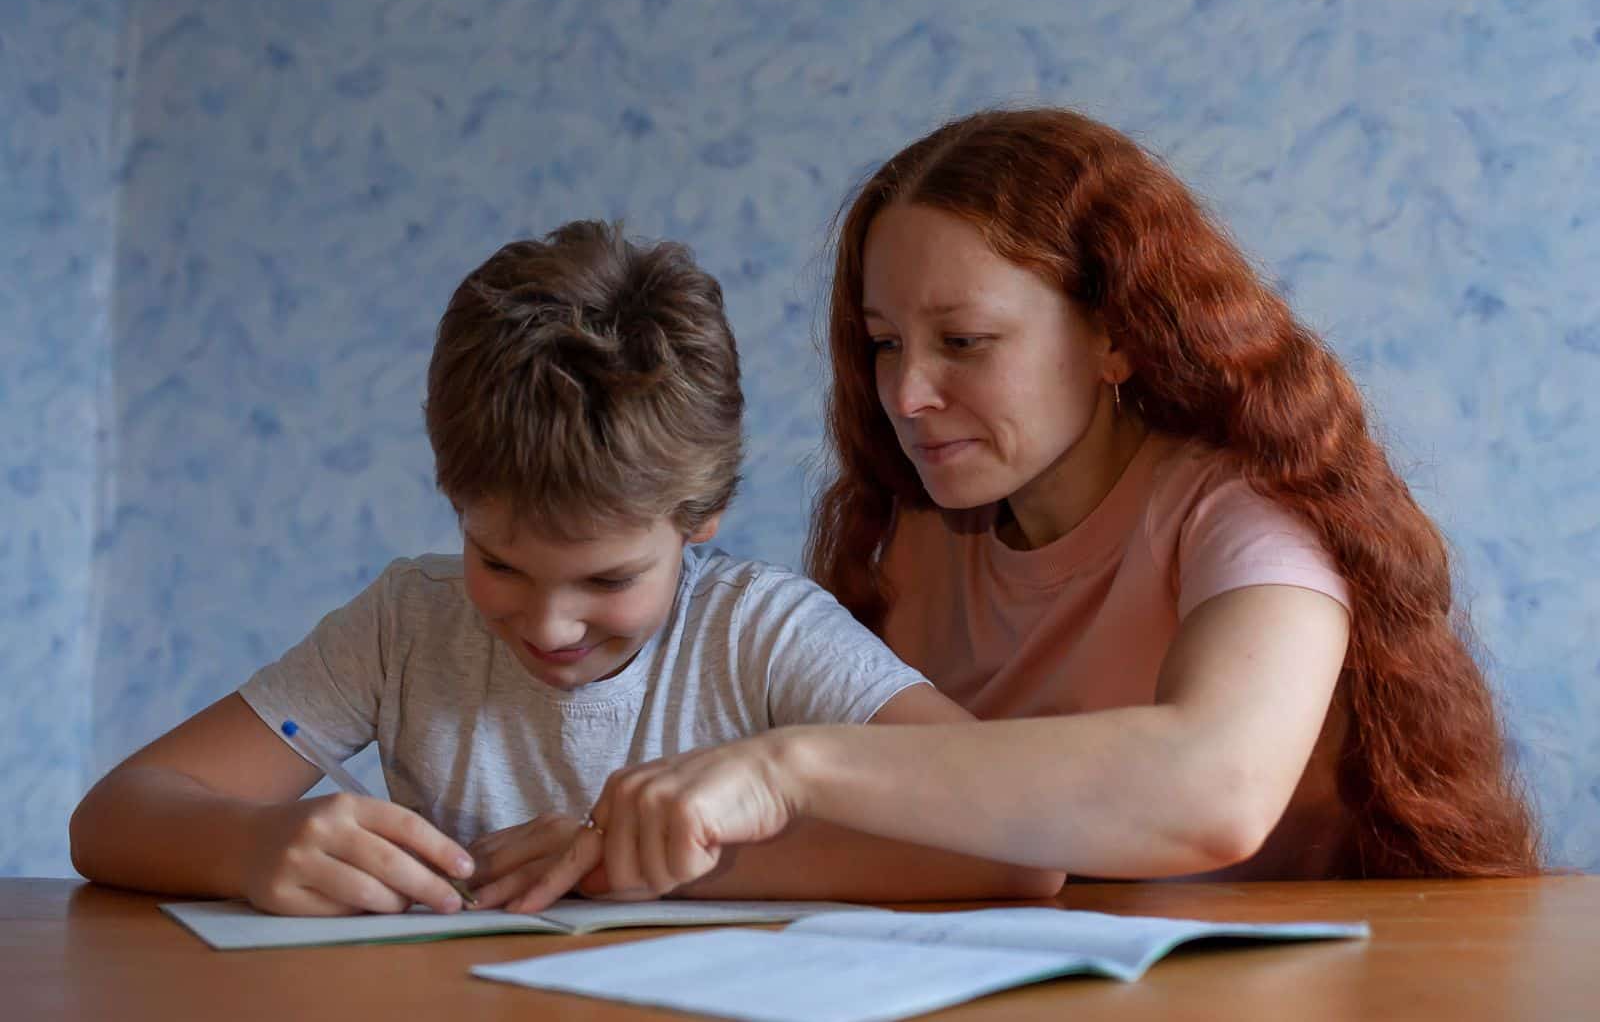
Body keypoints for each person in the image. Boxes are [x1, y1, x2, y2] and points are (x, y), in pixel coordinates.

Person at [520, 108, 1540, 905]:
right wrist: (629, 855)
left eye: (963, 342)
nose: (907, 394)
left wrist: (789, 767)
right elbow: (922, 846)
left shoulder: (1238, 514)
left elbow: (1212, 794)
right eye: (884, 342)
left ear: (1116, 335)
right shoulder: (913, 545)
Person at [68, 220, 1062, 916]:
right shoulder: (400, 628)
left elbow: (1019, 849)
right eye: (498, 561)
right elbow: (115, 816)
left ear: (703, 516)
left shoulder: (763, 633)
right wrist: (248, 847)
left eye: (606, 580)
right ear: (454, 503)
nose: (547, 625)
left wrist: (653, 866)